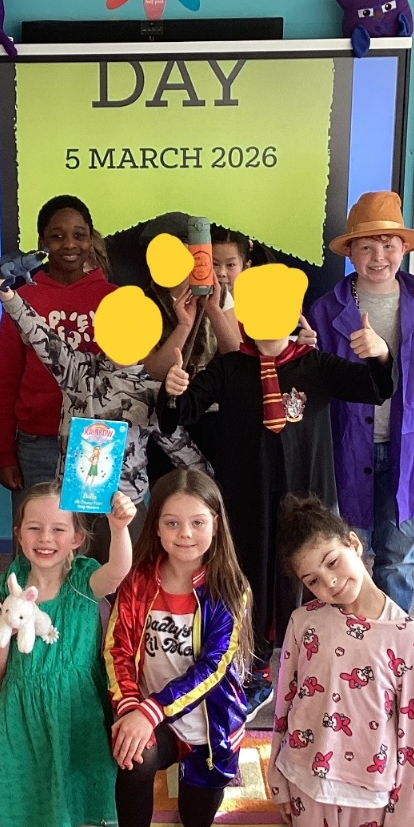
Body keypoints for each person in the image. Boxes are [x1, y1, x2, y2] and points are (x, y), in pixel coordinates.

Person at [160, 269, 394, 712]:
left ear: (293, 311)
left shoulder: (316, 364)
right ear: (245, 316)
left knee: (310, 573)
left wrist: (380, 354)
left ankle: (319, 659)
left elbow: (376, 388)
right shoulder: (229, 367)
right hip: (248, 498)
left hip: (307, 496)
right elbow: (180, 414)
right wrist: (173, 391)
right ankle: (255, 663)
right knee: (249, 574)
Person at [103, 468, 252, 827]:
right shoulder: (138, 580)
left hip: (210, 728)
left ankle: (192, 775)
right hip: (152, 719)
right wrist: (132, 709)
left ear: (216, 524)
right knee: (134, 758)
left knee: (195, 825)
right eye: (171, 523)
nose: (184, 534)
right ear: (156, 526)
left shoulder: (230, 588)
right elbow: (117, 649)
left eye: (197, 522)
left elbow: (212, 669)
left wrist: (149, 710)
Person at [309, 191, 414, 613]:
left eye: (388, 245)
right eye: (366, 247)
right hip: (347, 447)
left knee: (397, 561)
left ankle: (395, 639)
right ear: (350, 253)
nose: (378, 257)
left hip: (407, 450)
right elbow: (318, 380)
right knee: (344, 557)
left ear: (403, 248)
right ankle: (346, 638)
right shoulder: (327, 309)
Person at [268, 494, 414, 827]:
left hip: (371, 783)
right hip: (306, 772)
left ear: (354, 544)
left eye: (332, 562)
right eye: (312, 580)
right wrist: (277, 777)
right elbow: (284, 703)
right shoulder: (303, 622)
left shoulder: (408, 637)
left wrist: (404, 819)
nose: (329, 583)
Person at [0, 265, 207, 548]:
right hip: (72, 509)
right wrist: (7, 294)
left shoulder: (151, 392)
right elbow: (40, 334)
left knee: (126, 574)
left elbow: (181, 448)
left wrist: (213, 496)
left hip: (126, 509)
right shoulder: (76, 370)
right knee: (67, 572)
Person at [0, 482, 134, 827]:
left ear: (77, 538)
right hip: (23, 711)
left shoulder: (83, 578)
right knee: (23, 817)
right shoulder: (6, 587)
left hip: (75, 711)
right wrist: (5, 628)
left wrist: (119, 528)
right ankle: (22, 793)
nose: (45, 538)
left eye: (58, 529)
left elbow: (119, 571)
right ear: (19, 534)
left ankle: (60, 807)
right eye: (34, 528)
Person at [0, 195, 115, 509]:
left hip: (97, 440)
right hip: (37, 445)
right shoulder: (20, 300)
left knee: (92, 536)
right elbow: (6, 381)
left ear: (90, 240)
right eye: (57, 236)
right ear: (41, 243)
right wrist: (4, 454)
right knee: (39, 534)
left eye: (79, 235)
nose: (69, 244)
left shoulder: (115, 299)